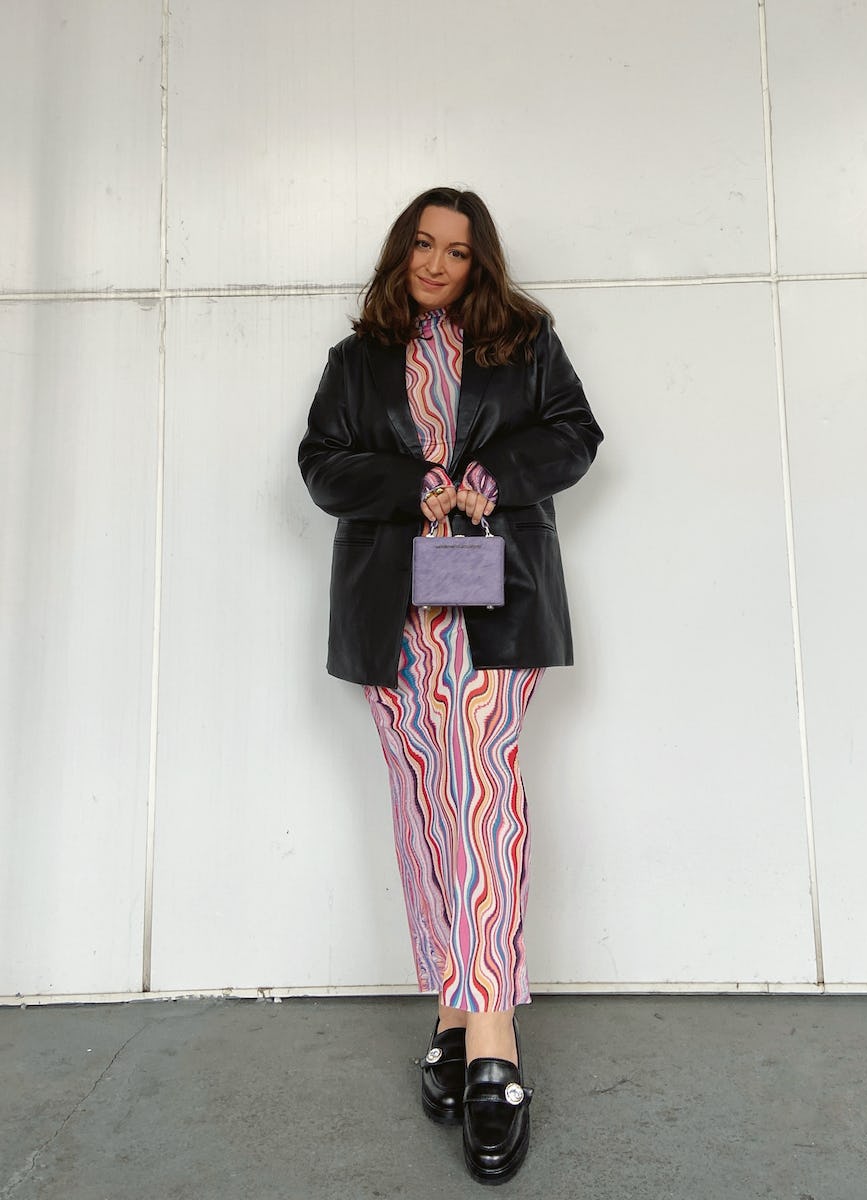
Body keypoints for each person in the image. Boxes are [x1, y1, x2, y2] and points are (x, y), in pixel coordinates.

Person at [298, 187, 602, 1184]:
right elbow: (321, 465)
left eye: (458, 250)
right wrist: (409, 484)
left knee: (480, 792)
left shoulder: (526, 342)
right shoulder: (357, 361)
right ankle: (452, 1010)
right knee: (427, 802)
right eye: (423, 245)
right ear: (402, 251)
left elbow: (574, 434)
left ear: (482, 263)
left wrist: (492, 476)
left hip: (492, 599)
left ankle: (493, 1050)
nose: (437, 263)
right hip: (398, 610)